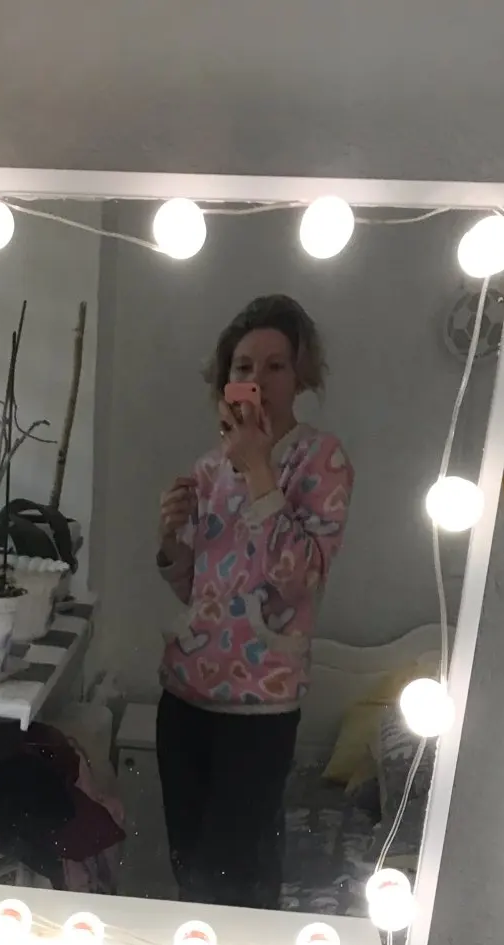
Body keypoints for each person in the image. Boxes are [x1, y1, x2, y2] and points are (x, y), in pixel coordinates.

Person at [155, 294, 353, 906]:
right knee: (191, 870)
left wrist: (260, 471)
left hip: (260, 708)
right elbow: (195, 586)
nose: (258, 380)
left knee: (238, 880)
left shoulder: (322, 460)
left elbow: (299, 578)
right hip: (186, 693)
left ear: (301, 376)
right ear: (226, 380)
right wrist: (170, 539)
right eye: (244, 367)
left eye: (275, 366)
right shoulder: (210, 468)